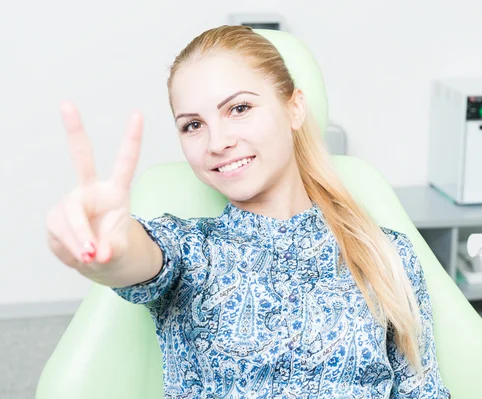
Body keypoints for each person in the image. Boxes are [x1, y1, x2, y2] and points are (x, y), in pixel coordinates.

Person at [46, 25, 451, 398]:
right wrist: (110, 247)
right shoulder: (191, 252)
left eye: (238, 108)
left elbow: (422, 390)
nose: (217, 141)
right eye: (192, 125)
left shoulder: (385, 254)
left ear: (294, 108)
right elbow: (141, 257)